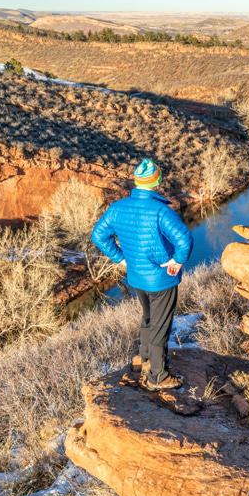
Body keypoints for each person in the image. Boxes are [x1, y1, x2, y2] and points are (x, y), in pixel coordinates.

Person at [92, 158, 193, 391]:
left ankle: (143, 358)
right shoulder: (159, 211)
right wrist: (177, 261)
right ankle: (157, 376)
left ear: (136, 182)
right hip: (161, 278)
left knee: (148, 317)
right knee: (160, 324)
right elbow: (184, 239)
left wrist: (120, 257)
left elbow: (98, 236)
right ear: (156, 181)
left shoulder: (117, 208)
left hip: (136, 276)